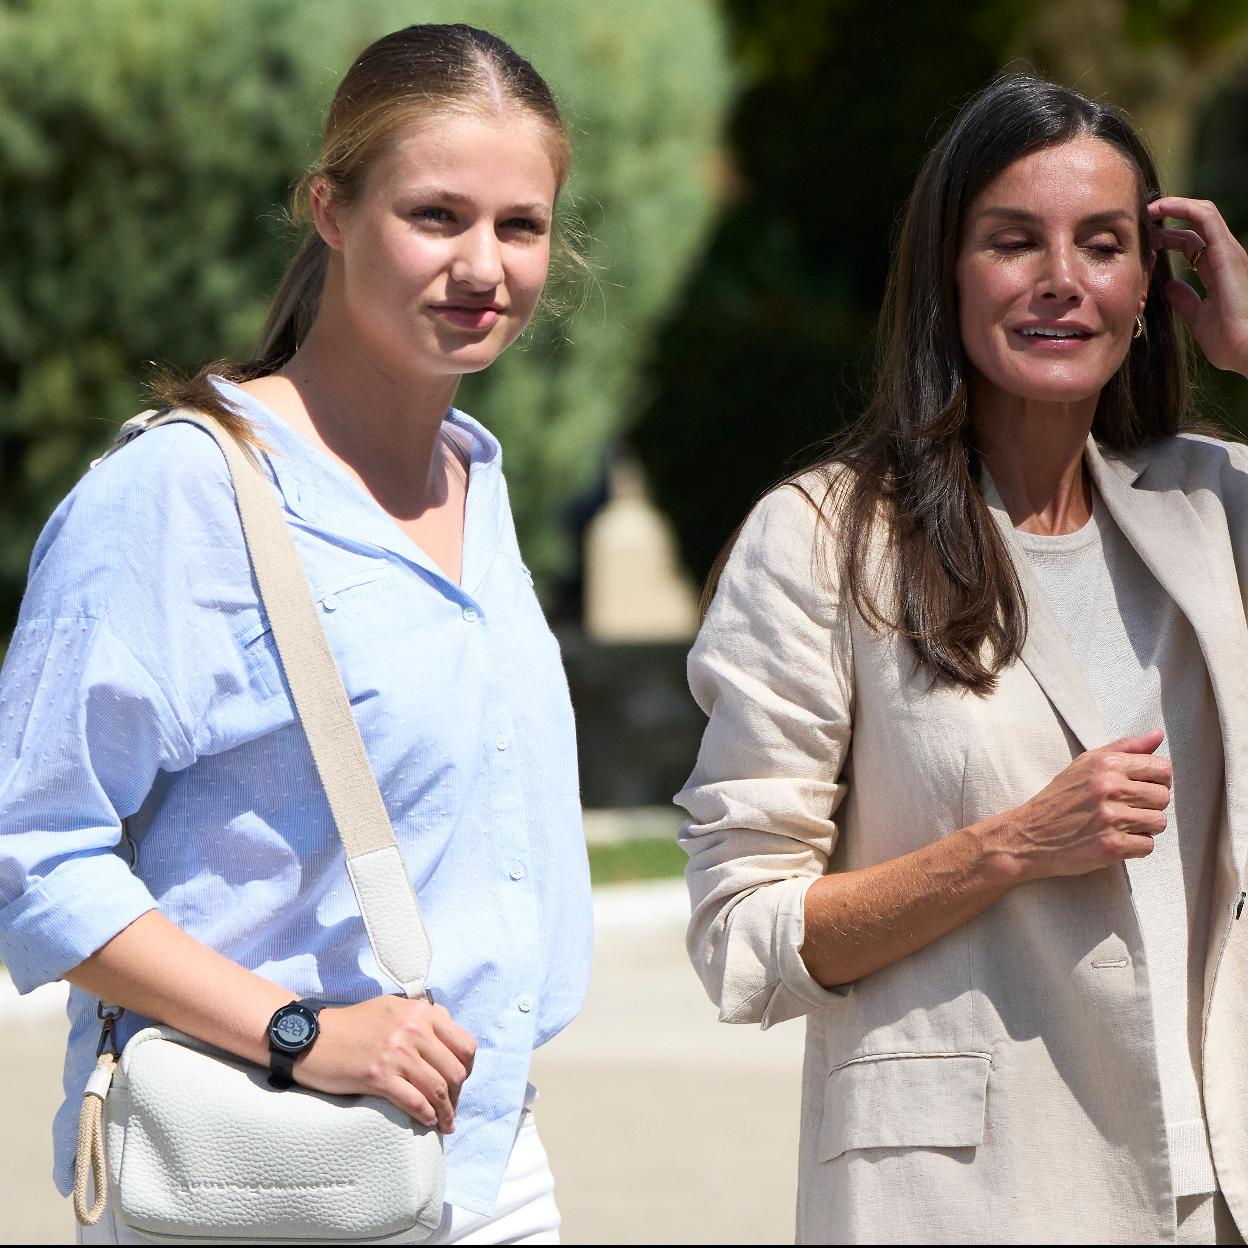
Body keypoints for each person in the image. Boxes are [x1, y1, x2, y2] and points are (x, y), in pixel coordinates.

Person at [0, 22, 591, 1245]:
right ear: (330, 209)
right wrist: (299, 1032)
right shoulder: (179, 496)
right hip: (257, 1164)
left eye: (520, 226)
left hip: (484, 1162)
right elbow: (30, 853)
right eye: (436, 215)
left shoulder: (475, 484)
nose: (483, 265)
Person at [677, 73, 1248, 1245]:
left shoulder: (1214, 509)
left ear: (1151, 287)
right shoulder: (824, 536)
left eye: (1102, 245)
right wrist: (1011, 847)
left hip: (1215, 1195)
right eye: (1012, 241)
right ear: (948, 271)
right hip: (966, 1202)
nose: (1061, 280)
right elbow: (742, 932)